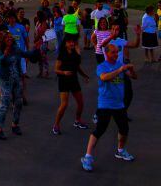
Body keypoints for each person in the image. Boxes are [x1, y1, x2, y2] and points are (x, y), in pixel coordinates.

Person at [81, 43, 136, 172]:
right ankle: (87, 156)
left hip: (119, 104)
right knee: (100, 129)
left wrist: (131, 70)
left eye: (117, 52)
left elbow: (134, 77)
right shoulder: (102, 66)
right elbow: (104, 77)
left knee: (124, 129)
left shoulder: (120, 65)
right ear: (106, 53)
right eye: (113, 52)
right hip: (105, 103)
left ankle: (120, 150)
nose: (116, 55)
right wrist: (120, 71)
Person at [0, 32, 37, 140]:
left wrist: (36, 50)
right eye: (7, 38)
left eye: (10, 38)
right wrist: (5, 54)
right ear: (3, 40)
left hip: (16, 79)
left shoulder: (16, 49)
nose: (9, 39)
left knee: (18, 102)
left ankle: (15, 124)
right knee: (5, 104)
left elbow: (27, 54)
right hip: (5, 80)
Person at [52, 36, 89, 135]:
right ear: (65, 44)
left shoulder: (75, 53)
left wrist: (84, 75)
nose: (72, 44)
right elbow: (56, 69)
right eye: (69, 42)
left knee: (80, 103)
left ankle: (77, 121)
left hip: (74, 80)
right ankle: (56, 125)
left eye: (73, 42)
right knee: (64, 104)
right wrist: (64, 72)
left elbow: (77, 67)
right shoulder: (62, 54)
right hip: (64, 80)